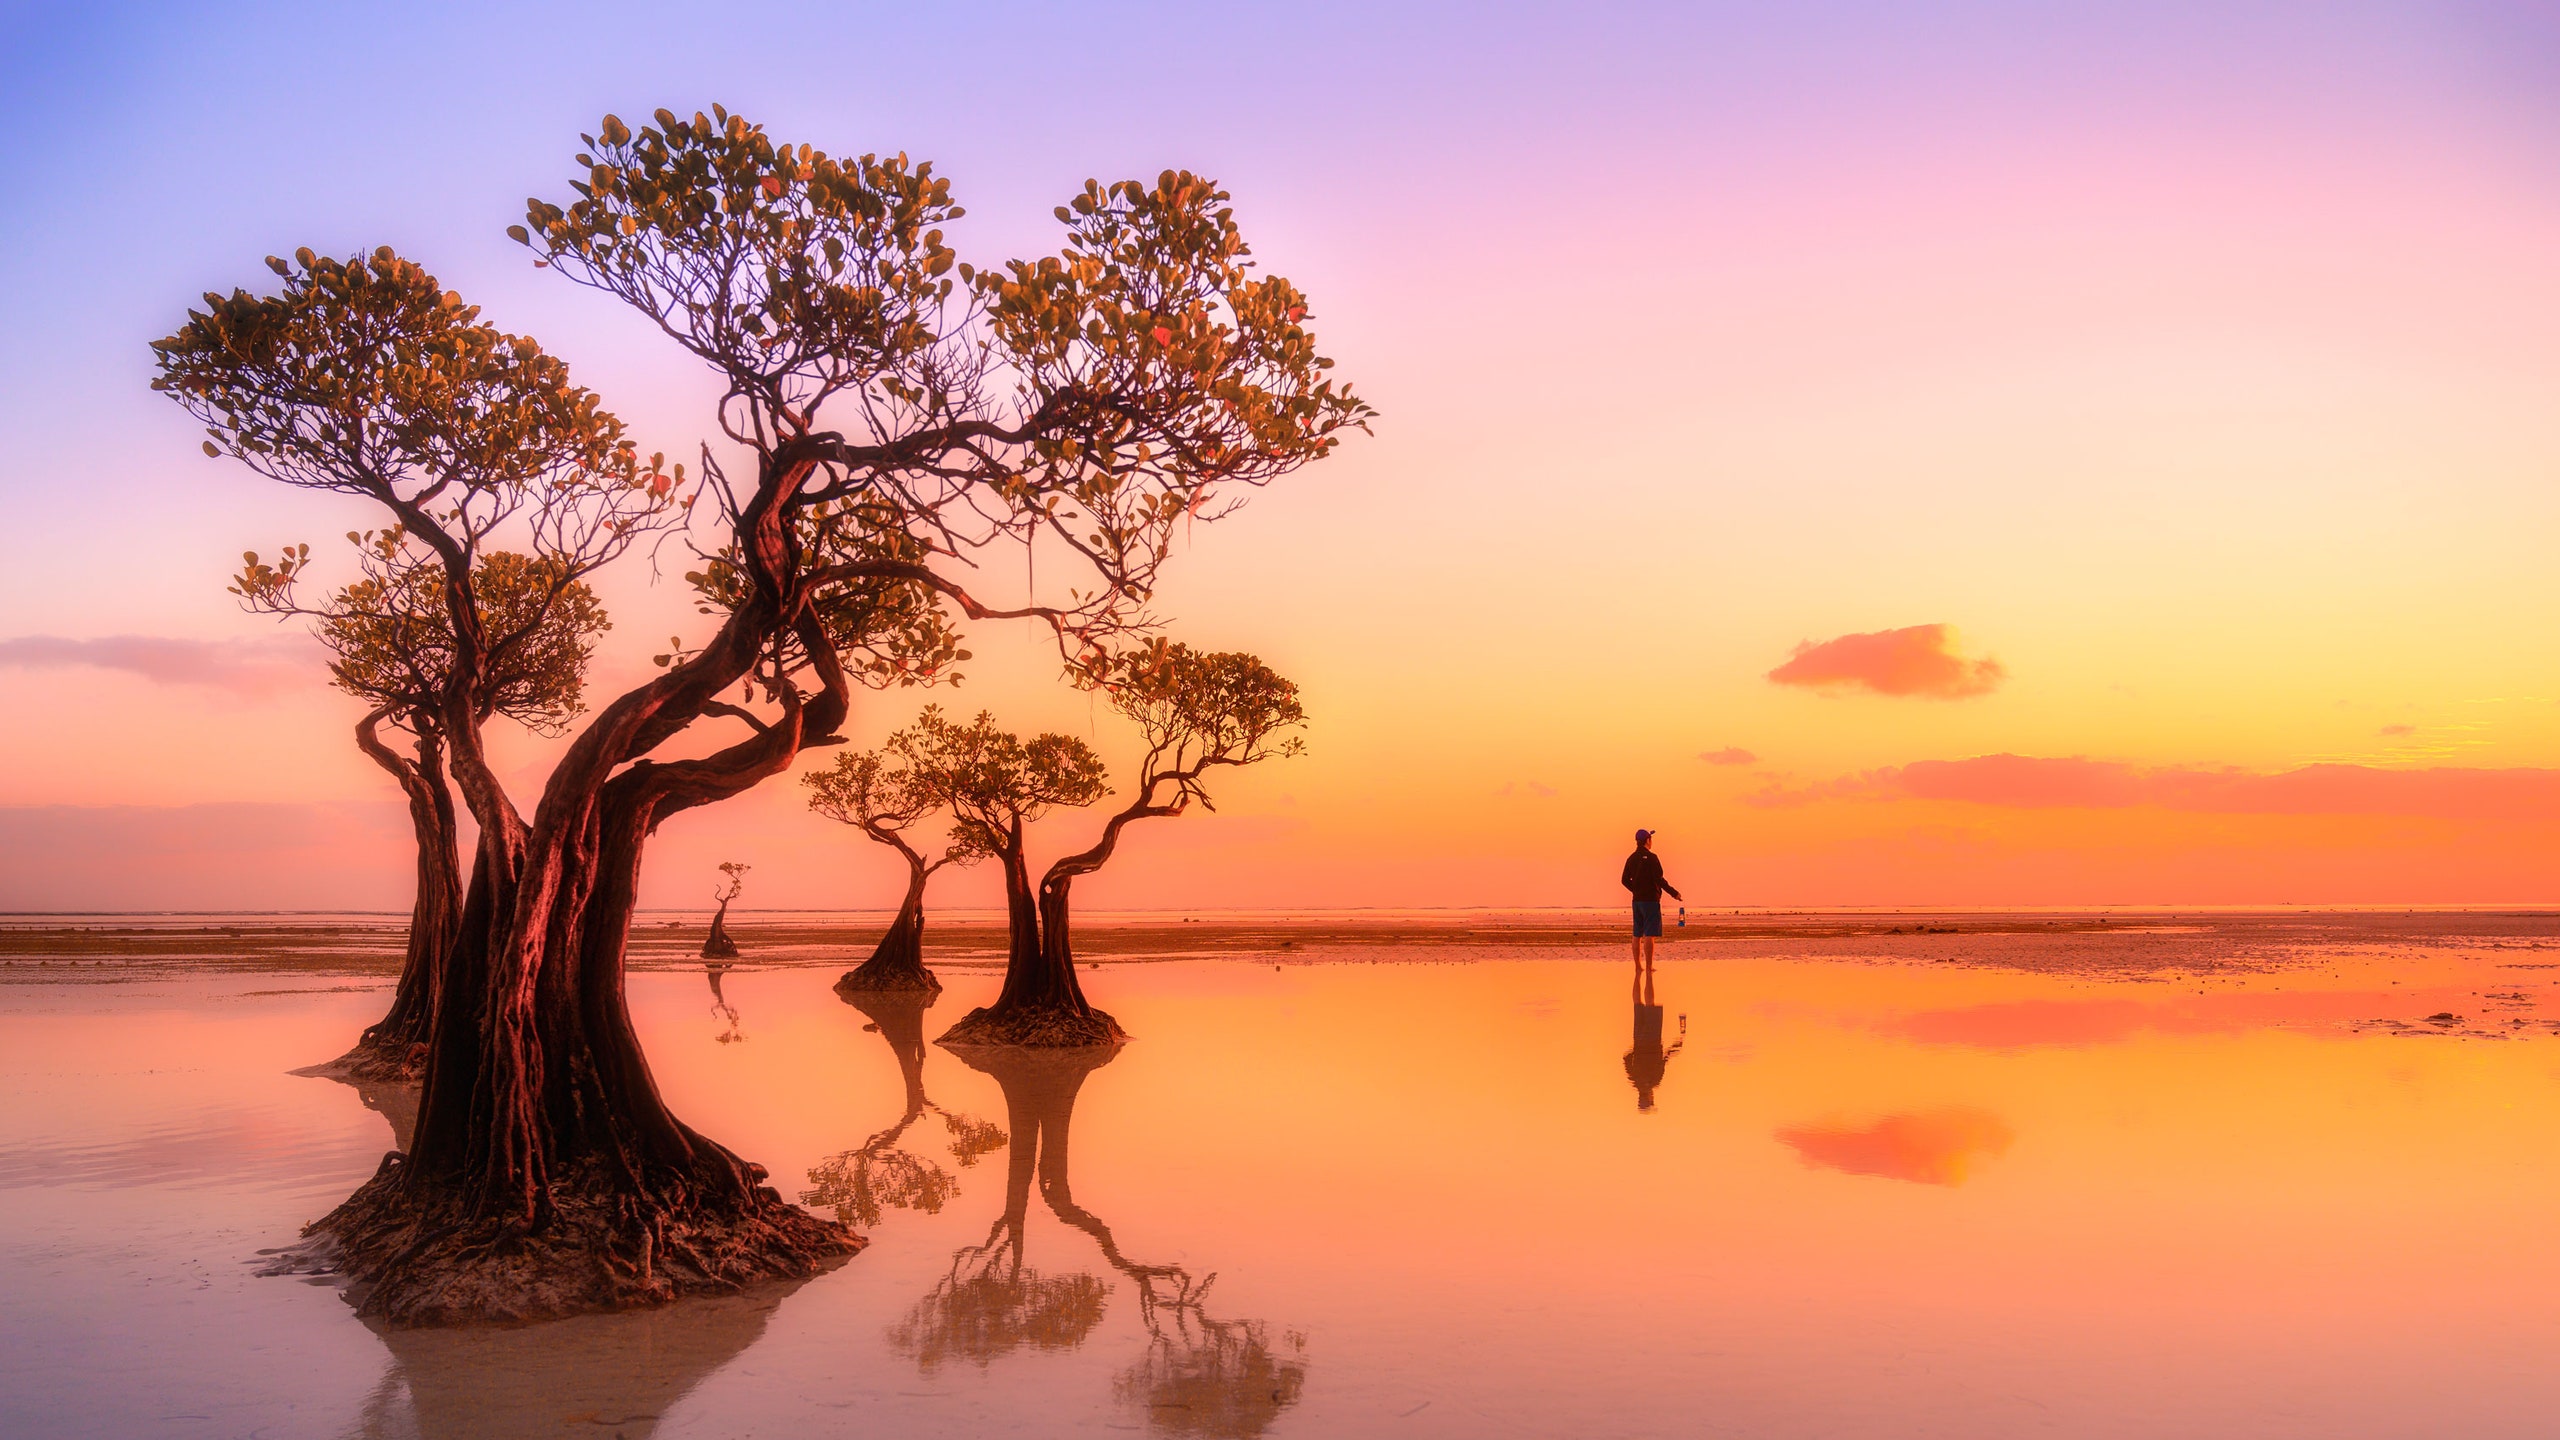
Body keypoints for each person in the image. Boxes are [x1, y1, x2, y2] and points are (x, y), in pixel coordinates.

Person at [1620, 828, 1683, 967]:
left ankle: (1638, 966)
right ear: (1648, 840)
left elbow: (1624, 880)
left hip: (1637, 901)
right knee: (1649, 934)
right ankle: (1648, 966)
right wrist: (1674, 893)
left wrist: (1635, 890)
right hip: (1651, 901)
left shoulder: (1631, 858)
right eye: (1651, 839)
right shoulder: (1652, 858)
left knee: (1637, 934)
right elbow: (1659, 880)